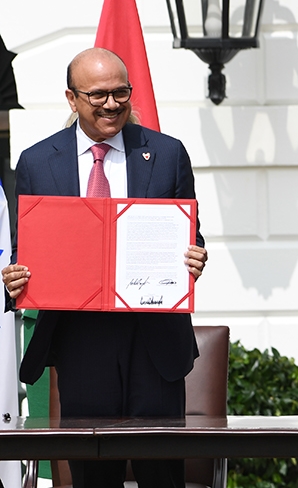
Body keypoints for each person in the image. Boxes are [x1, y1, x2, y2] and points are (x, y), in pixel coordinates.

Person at [2, 48, 208, 488]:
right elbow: (26, 250)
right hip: (80, 344)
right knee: (94, 475)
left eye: (121, 92)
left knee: (161, 474)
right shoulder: (37, 162)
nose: (112, 104)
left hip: (154, 342)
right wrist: (15, 278)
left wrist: (195, 257)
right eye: (98, 95)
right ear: (71, 99)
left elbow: (191, 237)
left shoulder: (168, 154)